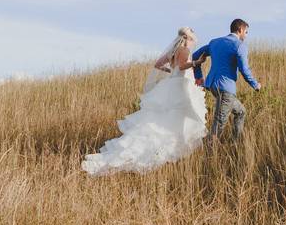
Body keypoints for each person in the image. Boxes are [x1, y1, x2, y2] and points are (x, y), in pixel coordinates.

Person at [81, 27, 207, 175]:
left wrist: (171, 73)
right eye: (193, 40)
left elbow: (158, 64)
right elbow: (181, 66)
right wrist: (196, 62)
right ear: (188, 39)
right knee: (175, 122)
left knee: (162, 120)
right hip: (180, 87)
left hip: (171, 84)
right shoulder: (184, 51)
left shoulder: (173, 50)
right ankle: (163, 153)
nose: (193, 43)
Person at [192, 18, 261, 143]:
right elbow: (244, 69)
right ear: (240, 30)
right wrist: (255, 84)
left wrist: (199, 76)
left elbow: (195, 56)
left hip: (213, 86)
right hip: (226, 89)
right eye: (246, 32)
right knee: (218, 127)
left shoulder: (215, 42)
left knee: (241, 112)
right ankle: (207, 154)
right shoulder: (240, 45)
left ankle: (236, 143)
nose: (246, 35)